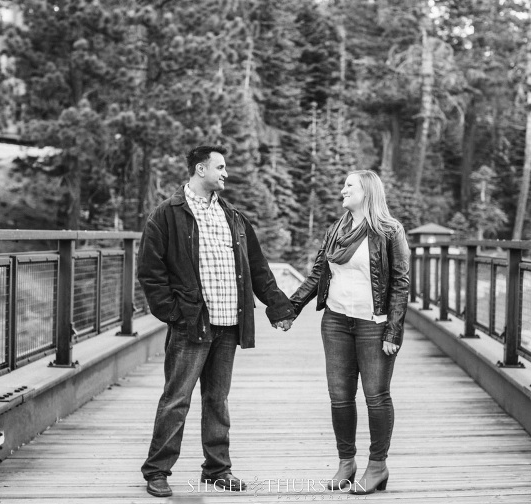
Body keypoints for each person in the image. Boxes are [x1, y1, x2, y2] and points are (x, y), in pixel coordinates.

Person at [137, 145, 296, 498]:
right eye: (220, 167)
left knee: (217, 399)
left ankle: (217, 468)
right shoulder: (165, 215)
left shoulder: (233, 217)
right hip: (192, 324)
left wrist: (279, 308)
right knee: (177, 398)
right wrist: (173, 313)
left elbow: (257, 268)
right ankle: (157, 471)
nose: (226, 173)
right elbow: (150, 272)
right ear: (200, 169)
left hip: (228, 324)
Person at [289, 170, 410, 495]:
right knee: (340, 397)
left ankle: (377, 466)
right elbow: (318, 274)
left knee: (375, 396)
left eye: (348, 185)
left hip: (375, 324)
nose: (342, 189)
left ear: (367, 192)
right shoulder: (336, 229)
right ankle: (346, 463)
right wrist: (291, 308)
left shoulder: (389, 230)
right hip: (336, 322)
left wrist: (393, 331)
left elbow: (400, 282)